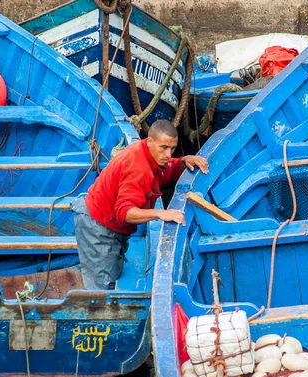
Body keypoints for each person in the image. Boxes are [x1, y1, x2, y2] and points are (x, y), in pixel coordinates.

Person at [70, 120, 209, 290]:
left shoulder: (149, 154)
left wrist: (182, 162)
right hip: (97, 224)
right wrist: (160, 213)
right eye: (163, 147)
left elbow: (162, 175)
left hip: (110, 221)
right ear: (150, 141)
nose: (168, 154)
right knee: (101, 288)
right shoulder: (138, 167)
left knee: (113, 271)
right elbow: (125, 212)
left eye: (172, 149)